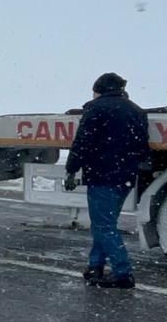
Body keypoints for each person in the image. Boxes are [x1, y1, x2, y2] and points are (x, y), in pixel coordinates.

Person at [64, 72, 151, 289]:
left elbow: (82, 142)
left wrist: (71, 170)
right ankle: (95, 266)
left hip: (102, 175)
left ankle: (123, 273)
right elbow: (142, 146)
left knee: (103, 226)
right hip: (125, 177)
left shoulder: (96, 109)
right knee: (106, 224)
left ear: (98, 90)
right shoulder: (136, 111)